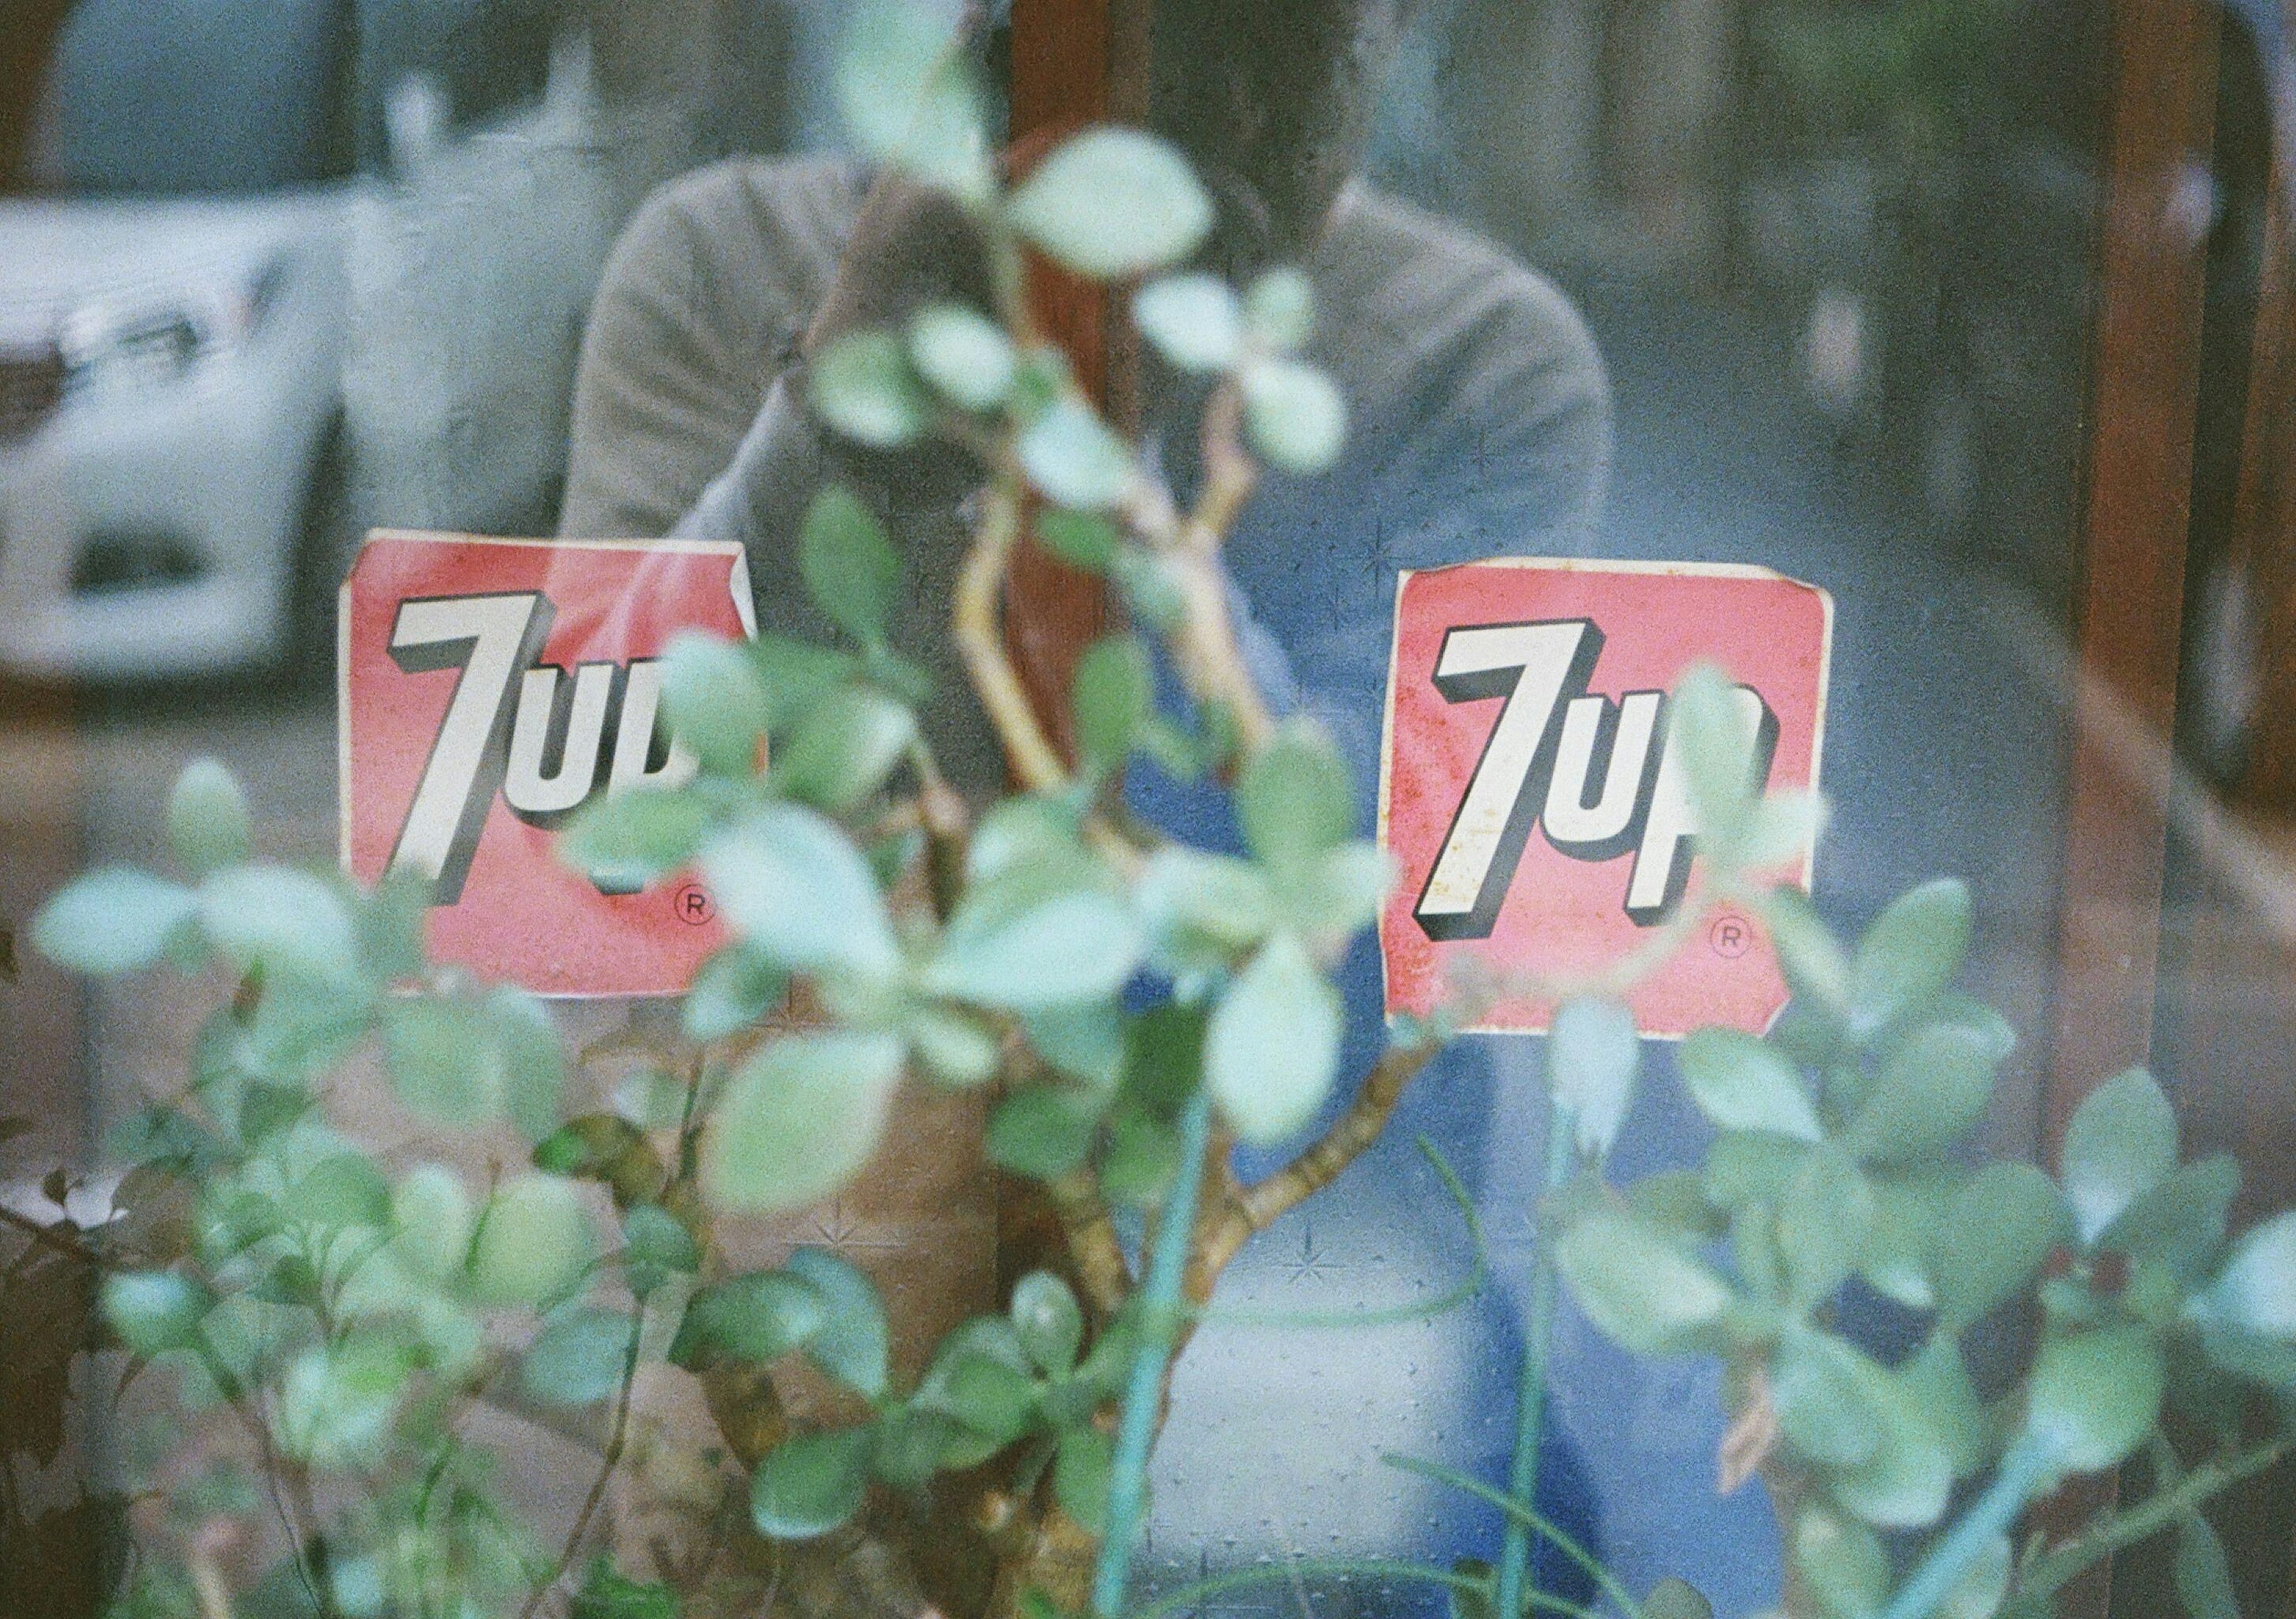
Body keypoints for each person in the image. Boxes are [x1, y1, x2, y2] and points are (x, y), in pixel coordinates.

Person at [559, 1, 1613, 1611]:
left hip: (1262, 1333)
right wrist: (854, 375)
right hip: (804, 1292)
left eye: (1280, 51)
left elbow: (1364, 920)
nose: (1209, 110)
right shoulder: (724, 264)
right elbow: (604, 822)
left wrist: (1140, 440)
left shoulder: (1475, 359)